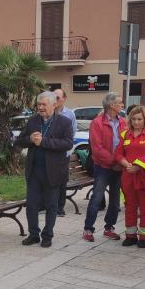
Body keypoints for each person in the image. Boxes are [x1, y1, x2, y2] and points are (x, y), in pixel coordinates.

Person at [15, 91, 74, 247]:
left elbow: (67, 144)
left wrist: (44, 142)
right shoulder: (33, 121)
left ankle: (47, 235)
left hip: (53, 171)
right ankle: (33, 234)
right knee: (32, 205)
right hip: (34, 170)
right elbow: (20, 141)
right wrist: (30, 140)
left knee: (51, 205)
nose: (40, 107)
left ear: (54, 105)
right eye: (38, 104)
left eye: (43, 105)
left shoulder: (64, 122)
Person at [83, 92, 127, 242]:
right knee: (96, 197)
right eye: (120, 103)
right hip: (103, 166)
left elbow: (126, 144)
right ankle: (88, 229)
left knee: (115, 200)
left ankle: (109, 227)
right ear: (111, 105)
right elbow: (97, 148)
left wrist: (120, 162)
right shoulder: (97, 123)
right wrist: (113, 162)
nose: (122, 105)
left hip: (118, 167)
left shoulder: (123, 122)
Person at [116, 106, 145, 248]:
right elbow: (118, 153)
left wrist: (138, 166)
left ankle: (144, 237)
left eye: (139, 119)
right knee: (129, 206)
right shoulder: (125, 134)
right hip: (128, 176)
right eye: (134, 119)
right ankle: (130, 235)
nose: (136, 122)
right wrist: (126, 164)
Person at [54, 88, 78, 217]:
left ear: (64, 99)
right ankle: (46, 205)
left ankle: (60, 208)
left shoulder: (69, 114)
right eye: (54, 97)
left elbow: (72, 132)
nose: (55, 100)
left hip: (64, 153)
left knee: (62, 181)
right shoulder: (48, 112)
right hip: (51, 153)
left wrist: (65, 146)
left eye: (58, 97)